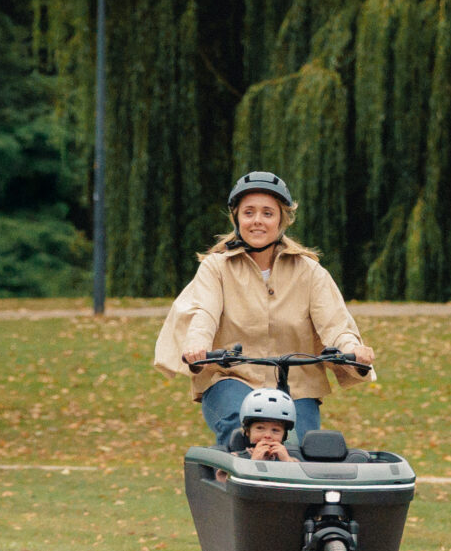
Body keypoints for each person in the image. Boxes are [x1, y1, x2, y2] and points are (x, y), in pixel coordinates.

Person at [154, 170, 375, 447]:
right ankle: (230, 483)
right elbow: (204, 314)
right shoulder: (216, 268)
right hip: (231, 378)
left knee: (304, 447)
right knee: (240, 425)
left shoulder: (310, 272)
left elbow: (335, 325)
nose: (257, 220)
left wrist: (353, 350)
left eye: (267, 213)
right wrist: (197, 346)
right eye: (249, 213)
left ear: (282, 219)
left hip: (297, 386)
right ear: (236, 218)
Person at [232, 389, 298, 462]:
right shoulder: (235, 459)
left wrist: (287, 460)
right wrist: (253, 461)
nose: (267, 435)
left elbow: (301, 473)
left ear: (284, 435)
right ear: (248, 431)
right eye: (260, 428)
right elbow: (228, 473)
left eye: (275, 430)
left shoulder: (291, 460)